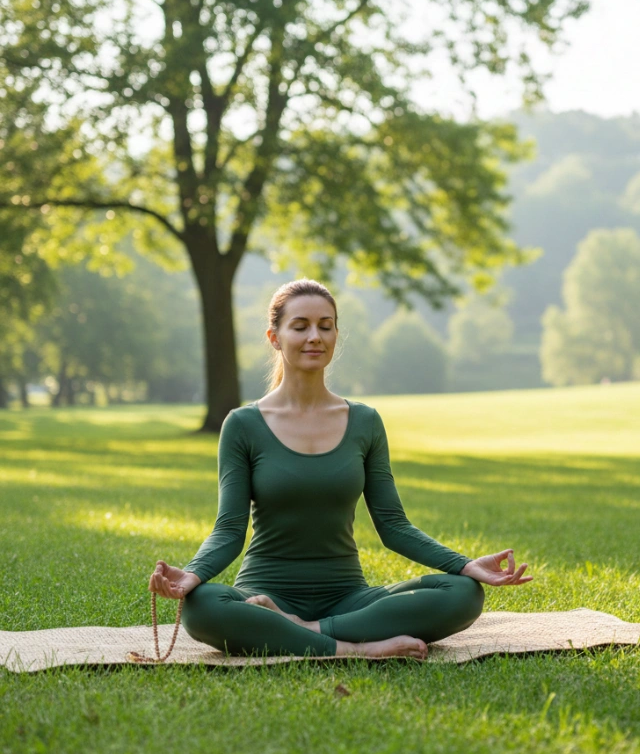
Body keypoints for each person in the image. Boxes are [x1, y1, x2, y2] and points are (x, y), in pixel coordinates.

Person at [147, 278, 533, 661]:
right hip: (264, 594)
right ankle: (353, 647)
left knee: (463, 593)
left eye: (325, 326)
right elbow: (229, 531)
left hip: (349, 597)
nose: (314, 336)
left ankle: (306, 633)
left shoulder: (364, 421)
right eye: (300, 326)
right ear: (275, 337)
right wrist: (193, 575)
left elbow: (393, 525)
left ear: (335, 335)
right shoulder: (243, 425)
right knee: (203, 606)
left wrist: (465, 565)